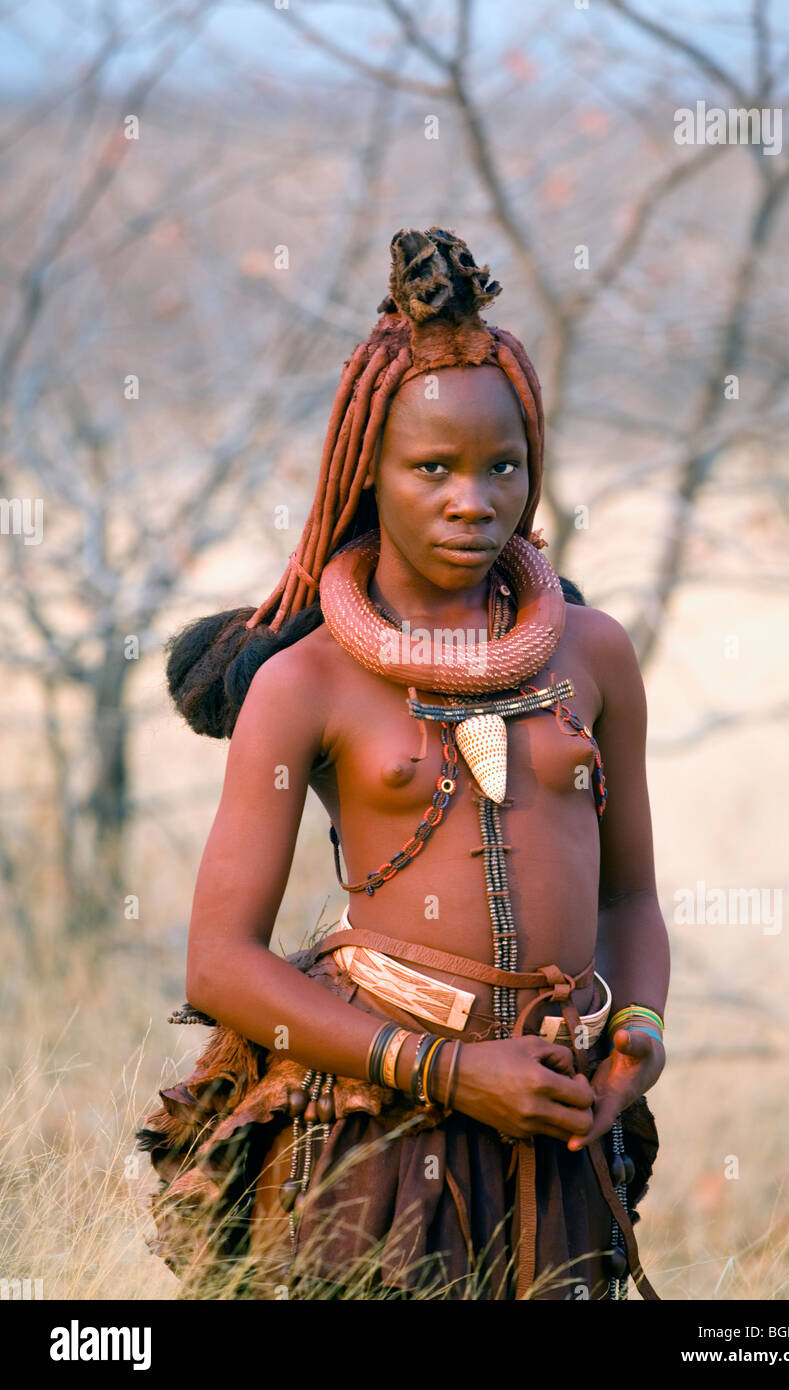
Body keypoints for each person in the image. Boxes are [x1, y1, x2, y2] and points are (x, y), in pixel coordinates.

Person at [136, 226, 670, 1301]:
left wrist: (638, 1037)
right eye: (431, 468)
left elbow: (629, 893)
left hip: (555, 1111)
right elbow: (219, 965)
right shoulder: (309, 682)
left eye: (502, 466)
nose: (472, 499)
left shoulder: (593, 653)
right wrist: (452, 1071)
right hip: (376, 1122)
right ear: (366, 475)